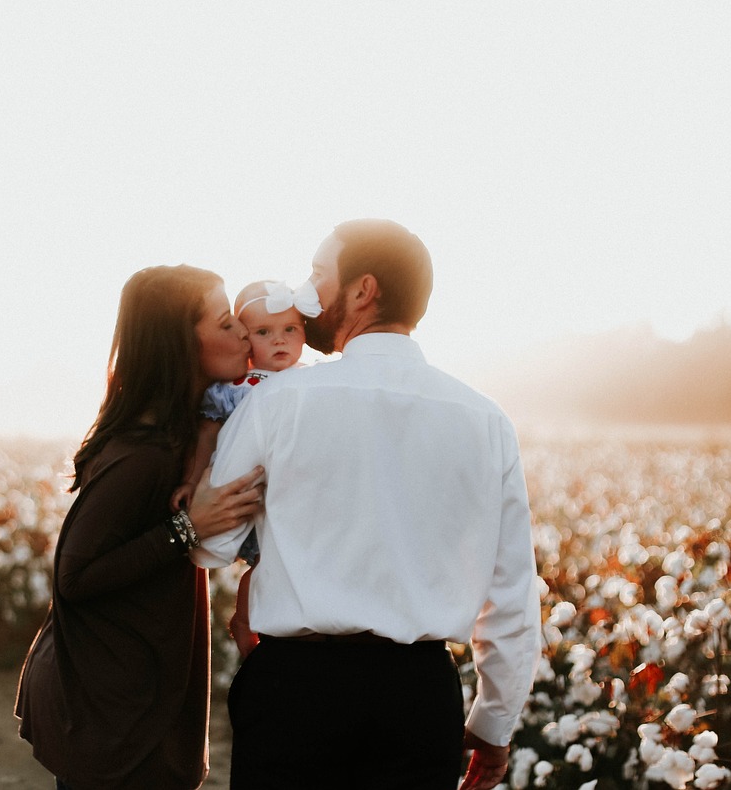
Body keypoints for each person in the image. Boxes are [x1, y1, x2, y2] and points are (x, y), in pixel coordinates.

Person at [192, 220, 540, 790]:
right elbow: (511, 591)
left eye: (318, 276)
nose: (305, 294)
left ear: (363, 290)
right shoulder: (486, 420)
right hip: (418, 699)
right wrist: (494, 724)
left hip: (294, 691)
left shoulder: (275, 403)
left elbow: (211, 547)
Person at [15, 264, 266, 790]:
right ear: (181, 344)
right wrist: (186, 528)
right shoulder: (145, 454)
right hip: (113, 707)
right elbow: (73, 574)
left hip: (126, 688)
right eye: (226, 323)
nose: (244, 331)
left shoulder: (182, 435)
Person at [171, 279, 320, 656]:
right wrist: (192, 479)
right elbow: (207, 435)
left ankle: (272, 628)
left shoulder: (315, 381)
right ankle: (243, 620)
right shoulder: (238, 387)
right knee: (260, 564)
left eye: (290, 329)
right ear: (245, 339)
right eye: (264, 332)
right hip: (244, 490)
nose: (280, 340)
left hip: (288, 493)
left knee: (278, 562)